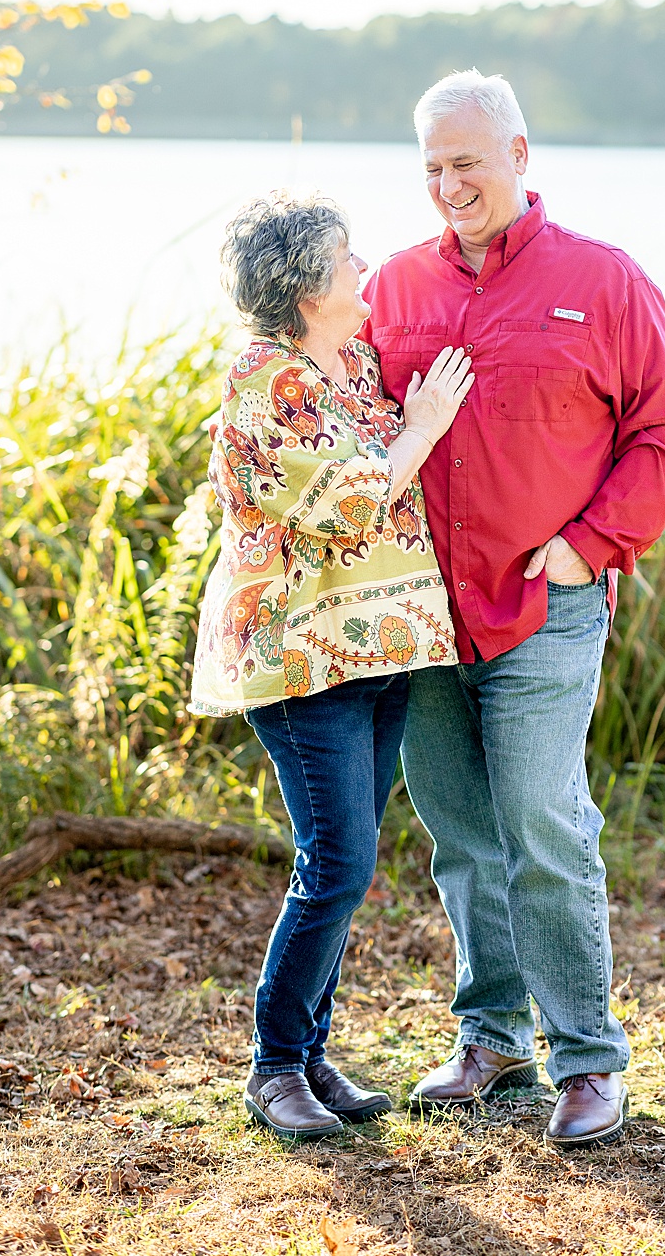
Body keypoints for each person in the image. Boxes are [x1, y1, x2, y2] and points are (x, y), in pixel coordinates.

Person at [362, 70, 665, 1147]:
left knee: (544, 822)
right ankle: (491, 1037)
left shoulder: (604, 281)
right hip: (422, 619)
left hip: (545, 609)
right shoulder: (391, 287)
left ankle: (588, 1057)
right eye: (431, 167)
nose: (448, 183)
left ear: (517, 153)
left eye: (466, 161)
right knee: (458, 829)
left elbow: (663, 435)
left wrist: (583, 549)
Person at [188, 191, 472, 1140]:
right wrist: (424, 423)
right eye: (347, 259)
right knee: (339, 862)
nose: (363, 269)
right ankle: (274, 1067)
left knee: (346, 862)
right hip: (304, 661)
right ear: (308, 286)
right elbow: (353, 501)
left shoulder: (345, 364)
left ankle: (309, 1054)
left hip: (378, 649)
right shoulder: (269, 382)